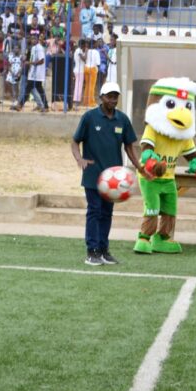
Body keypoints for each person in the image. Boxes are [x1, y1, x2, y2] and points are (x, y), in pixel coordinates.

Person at [71, 83, 146, 265]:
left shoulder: (122, 120)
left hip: (114, 179)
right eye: (109, 96)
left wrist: (139, 166)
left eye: (115, 97)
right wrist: (79, 159)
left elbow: (129, 146)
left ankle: (104, 250)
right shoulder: (89, 117)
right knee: (94, 211)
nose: (112, 100)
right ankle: (92, 251)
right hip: (93, 175)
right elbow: (75, 141)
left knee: (107, 213)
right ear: (101, 97)